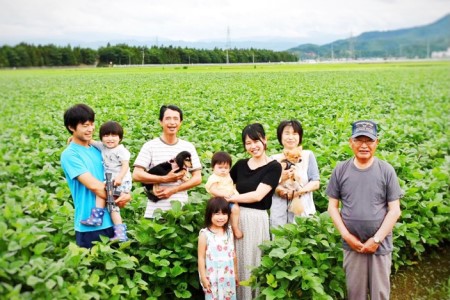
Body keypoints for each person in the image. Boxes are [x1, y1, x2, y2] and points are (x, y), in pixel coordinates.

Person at [326, 120, 402, 300]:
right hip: (352, 246)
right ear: (350, 142)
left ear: (377, 143)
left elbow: (394, 211)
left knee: (380, 293)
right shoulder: (341, 169)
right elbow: (332, 206)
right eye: (359, 140)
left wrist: (376, 239)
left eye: (369, 140)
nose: (364, 145)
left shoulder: (386, 170)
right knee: (355, 293)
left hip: (380, 245)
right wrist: (347, 236)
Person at [60, 104, 131, 248]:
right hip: (89, 228)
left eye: (92, 124)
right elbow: (96, 187)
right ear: (71, 127)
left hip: (112, 221)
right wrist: (120, 196)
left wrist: (127, 195)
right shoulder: (70, 154)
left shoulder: (100, 150)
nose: (91, 129)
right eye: (85, 125)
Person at [226, 123, 282, 299]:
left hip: (256, 219)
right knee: (234, 262)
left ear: (265, 140)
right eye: (248, 143)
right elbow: (224, 183)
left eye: (256, 141)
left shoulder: (274, 167)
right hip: (234, 216)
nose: (253, 146)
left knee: (252, 263)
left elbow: (258, 195)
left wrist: (231, 197)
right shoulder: (241, 165)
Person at [132, 105, 202, 218]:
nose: (172, 122)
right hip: (154, 212)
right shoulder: (150, 146)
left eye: (176, 119)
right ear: (161, 122)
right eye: (168, 118)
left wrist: (174, 189)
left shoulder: (188, 147)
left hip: (180, 211)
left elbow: (197, 178)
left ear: (181, 122)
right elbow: (136, 175)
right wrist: (164, 178)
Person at [81, 121, 131, 242]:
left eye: (114, 136)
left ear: (120, 138)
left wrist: (119, 178)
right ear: (102, 138)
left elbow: (125, 165)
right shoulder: (102, 147)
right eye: (106, 135)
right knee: (110, 204)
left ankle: (102, 220)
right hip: (110, 181)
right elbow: (90, 141)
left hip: (121, 182)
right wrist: (73, 137)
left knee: (112, 205)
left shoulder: (121, 150)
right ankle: (102, 220)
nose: (110, 139)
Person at [270, 120, 320, 227]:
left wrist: (297, 193)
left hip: (304, 209)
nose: (290, 137)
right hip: (280, 211)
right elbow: (268, 185)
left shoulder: (307, 155)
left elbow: (315, 182)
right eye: (287, 133)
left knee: (302, 236)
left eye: (295, 133)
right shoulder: (273, 159)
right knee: (280, 240)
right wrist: (281, 190)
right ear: (280, 136)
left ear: (300, 137)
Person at [198, 197, 238, 300]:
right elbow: (201, 258)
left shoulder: (229, 231)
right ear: (209, 214)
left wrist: (236, 274)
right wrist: (203, 277)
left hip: (228, 275)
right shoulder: (205, 234)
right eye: (217, 213)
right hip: (212, 276)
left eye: (224, 214)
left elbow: (233, 254)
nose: (221, 217)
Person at [205, 151, 243, 239]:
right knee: (219, 216)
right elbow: (213, 190)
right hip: (219, 202)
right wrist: (224, 194)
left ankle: (235, 227)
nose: (223, 170)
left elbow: (232, 186)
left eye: (226, 167)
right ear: (213, 167)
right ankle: (215, 232)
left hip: (230, 199)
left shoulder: (228, 176)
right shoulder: (214, 177)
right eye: (220, 167)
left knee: (236, 209)